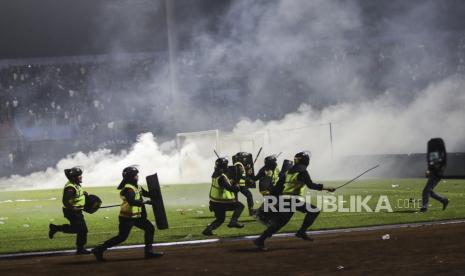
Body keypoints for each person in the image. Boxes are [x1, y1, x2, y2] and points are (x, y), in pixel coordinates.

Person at [253, 151, 335, 251]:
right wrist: (327, 188)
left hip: (284, 200)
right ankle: (301, 231)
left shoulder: (287, 172)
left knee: (280, 223)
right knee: (314, 210)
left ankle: (260, 240)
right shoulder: (302, 171)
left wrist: (270, 201)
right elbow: (310, 185)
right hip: (294, 200)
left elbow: (276, 189)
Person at [92, 166, 164, 261]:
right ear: (131, 177)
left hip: (137, 217)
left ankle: (149, 252)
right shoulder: (128, 189)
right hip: (127, 218)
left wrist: (155, 192)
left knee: (149, 228)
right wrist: (145, 202)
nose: (137, 177)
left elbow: (146, 193)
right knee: (121, 237)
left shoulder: (136, 186)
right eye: (135, 175)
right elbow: (132, 201)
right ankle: (99, 249)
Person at [48, 167, 91, 255]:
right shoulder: (70, 187)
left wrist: (84, 193)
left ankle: (56, 228)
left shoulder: (75, 184)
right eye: (79, 176)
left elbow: (76, 195)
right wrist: (73, 208)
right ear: (74, 177)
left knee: (80, 229)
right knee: (82, 230)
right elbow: (65, 201)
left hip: (76, 211)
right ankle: (80, 249)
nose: (81, 177)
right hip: (72, 212)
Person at [202, 157, 245, 236]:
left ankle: (208, 230)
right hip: (222, 201)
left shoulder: (215, 174)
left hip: (214, 202)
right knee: (240, 206)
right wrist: (237, 187)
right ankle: (233, 221)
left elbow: (225, 180)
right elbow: (229, 188)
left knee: (220, 219)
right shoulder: (222, 177)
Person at [420, 138, 449, 212]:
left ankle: (424, 207)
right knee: (428, 191)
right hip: (435, 173)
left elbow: (439, 163)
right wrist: (429, 170)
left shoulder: (439, 153)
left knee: (426, 191)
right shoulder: (436, 152)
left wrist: (433, 170)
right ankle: (443, 200)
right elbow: (432, 163)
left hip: (437, 174)